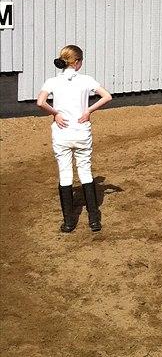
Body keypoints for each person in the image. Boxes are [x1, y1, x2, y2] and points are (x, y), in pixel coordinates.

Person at [36, 45, 112, 233]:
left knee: (65, 173)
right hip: (81, 131)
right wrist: (88, 111)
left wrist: (55, 113)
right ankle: (94, 220)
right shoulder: (86, 80)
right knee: (85, 171)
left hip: (62, 133)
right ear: (77, 62)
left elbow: (40, 102)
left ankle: (69, 222)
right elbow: (107, 96)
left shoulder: (52, 81)